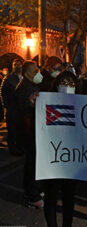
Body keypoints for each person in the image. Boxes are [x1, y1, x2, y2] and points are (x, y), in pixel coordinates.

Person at [42, 71, 78, 227]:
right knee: (51, 196)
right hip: (51, 157)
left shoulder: (82, 104)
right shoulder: (45, 102)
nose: (67, 87)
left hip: (72, 159)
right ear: (56, 85)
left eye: (71, 84)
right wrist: (32, 102)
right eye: (64, 83)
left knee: (69, 197)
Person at [11, 61, 44, 208]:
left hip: (31, 131)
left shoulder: (30, 86)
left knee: (33, 163)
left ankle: (32, 191)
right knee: (32, 164)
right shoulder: (24, 89)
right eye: (35, 71)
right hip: (28, 132)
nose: (38, 73)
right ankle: (33, 196)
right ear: (26, 74)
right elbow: (24, 110)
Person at [0, 59, 24, 155]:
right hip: (12, 108)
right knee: (12, 130)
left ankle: (20, 147)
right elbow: (2, 92)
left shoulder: (24, 77)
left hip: (21, 108)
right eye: (15, 64)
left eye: (18, 64)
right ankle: (13, 149)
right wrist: (6, 105)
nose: (17, 66)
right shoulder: (8, 78)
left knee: (20, 129)